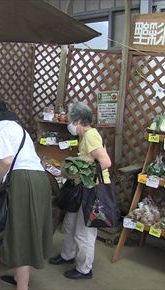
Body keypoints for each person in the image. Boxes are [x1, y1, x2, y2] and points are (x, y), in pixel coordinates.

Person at [0, 100, 52, 290]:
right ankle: (20, 280)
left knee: (21, 233)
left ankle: (22, 287)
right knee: (28, 230)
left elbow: (6, 161)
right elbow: (12, 159)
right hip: (39, 179)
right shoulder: (17, 128)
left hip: (24, 181)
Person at [49, 102, 112, 280]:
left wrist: (81, 173)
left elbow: (105, 162)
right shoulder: (85, 137)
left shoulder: (91, 136)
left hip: (92, 190)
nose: (68, 123)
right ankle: (67, 255)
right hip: (82, 188)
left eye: (70, 119)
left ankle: (85, 269)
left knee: (84, 232)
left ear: (77, 120)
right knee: (69, 225)